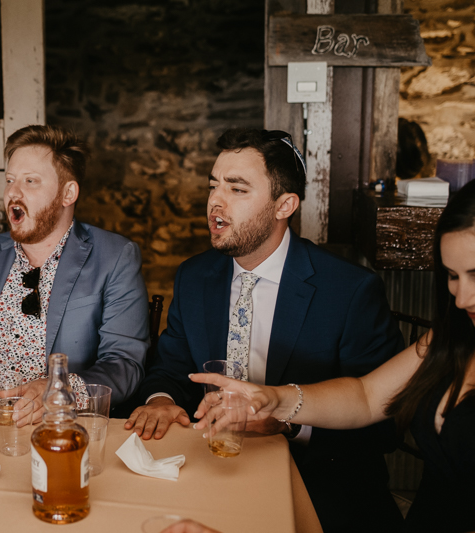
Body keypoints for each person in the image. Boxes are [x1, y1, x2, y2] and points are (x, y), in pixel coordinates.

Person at [125, 129, 404, 533]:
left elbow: (386, 425)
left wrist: (289, 423)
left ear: (284, 205)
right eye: (213, 186)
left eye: (237, 189)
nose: (215, 203)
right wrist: (162, 399)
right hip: (205, 470)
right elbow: (171, 365)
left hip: (314, 484)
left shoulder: (349, 291)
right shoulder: (195, 275)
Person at [195, 178, 475, 533]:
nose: (463, 298)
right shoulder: (452, 338)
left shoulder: (351, 288)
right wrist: (275, 398)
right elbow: (366, 396)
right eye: (452, 276)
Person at [0, 124, 149, 421]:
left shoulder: (115, 257)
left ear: (68, 193)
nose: (13, 193)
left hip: (63, 428)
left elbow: (124, 363)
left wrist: (60, 391)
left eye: (31, 181)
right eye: (10, 180)